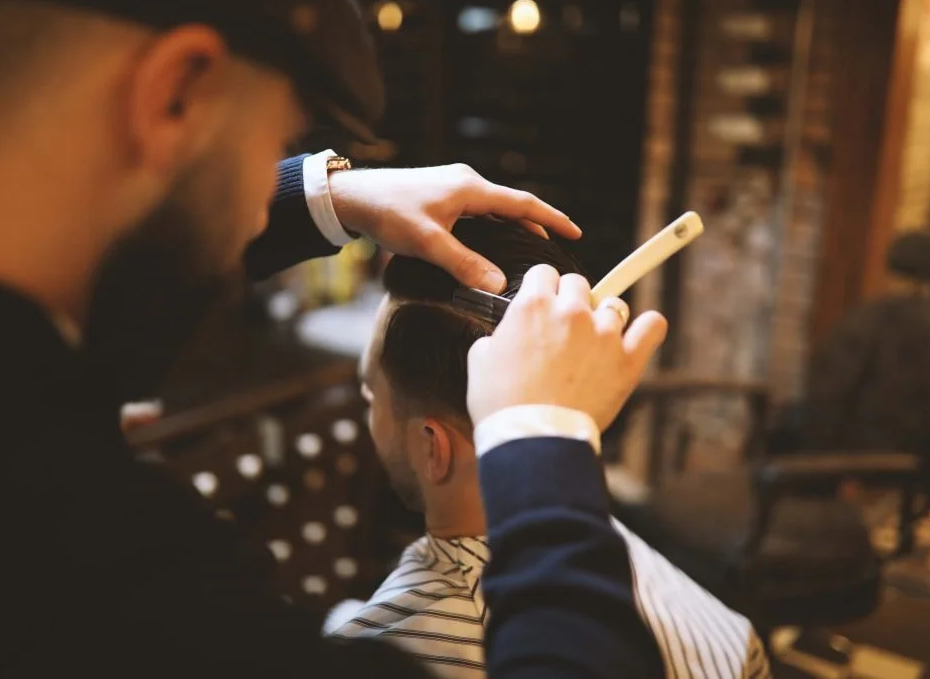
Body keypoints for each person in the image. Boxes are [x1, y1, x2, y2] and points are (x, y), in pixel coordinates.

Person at [0, 0, 666, 677]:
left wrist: (324, 197)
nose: (265, 206)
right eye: (278, 147)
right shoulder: (98, 576)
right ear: (175, 97)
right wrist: (545, 438)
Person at [329, 219, 771, 679]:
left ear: (432, 447)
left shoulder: (389, 645)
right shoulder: (705, 613)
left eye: (370, 396)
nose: (368, 412)